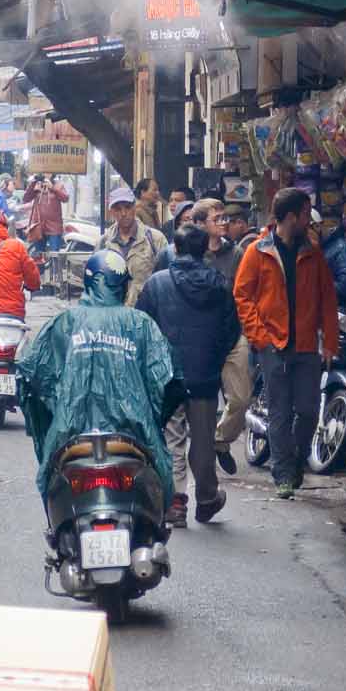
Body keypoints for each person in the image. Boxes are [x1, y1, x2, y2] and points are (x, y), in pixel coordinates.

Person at [16, 247, 176, 517]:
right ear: (124, 286)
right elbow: (166, 381)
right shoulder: (141, 324)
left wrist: (56, 412)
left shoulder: (64, 322)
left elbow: (32, 378)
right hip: (135, 432)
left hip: (69, 432)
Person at [233, 186, 340, 500]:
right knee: (280, 412)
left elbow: (327, 298)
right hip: (273, 345)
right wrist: (260, 337)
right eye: (306, 213)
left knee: (308, 410)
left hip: (307, 344)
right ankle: (282, 473)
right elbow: (242, 295)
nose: (310, 219)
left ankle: (295, 460)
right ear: (291, 216)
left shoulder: (313, 251)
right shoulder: (258, 250)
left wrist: (330, 342)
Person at [137, 224, 241, 529]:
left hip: (168, 376)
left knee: (173, 437)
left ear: (176, 249)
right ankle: (207, 497)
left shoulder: (157, 284)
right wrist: (214, 358)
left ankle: (176, 501)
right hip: (205, 375)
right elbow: (231, 330)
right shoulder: (220, 285)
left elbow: (143, 326)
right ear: (203, 250)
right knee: (204, 441)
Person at [212, 200, 258, 475]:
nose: (223, 223)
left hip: (232, 333)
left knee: (240, 399)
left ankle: (220, 440)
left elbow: (246, 292)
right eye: (217, 218)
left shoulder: (237, 254)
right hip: (199, 336)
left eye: (224, 218)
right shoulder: (185, 252)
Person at [104, 185, 165, 306]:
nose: (123, 213)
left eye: (127, 207)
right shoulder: (104, 243)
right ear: (111, 212)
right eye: (117, 209)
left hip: (145, 313)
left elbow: (165, 280)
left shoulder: (155, 239)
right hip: (114, 314)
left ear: (134, 207)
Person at [22, 175, 68, 247]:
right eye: (44, 172)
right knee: (38, 255)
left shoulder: (58, 184)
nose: (46, 174)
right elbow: (25, 199)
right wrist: (33, 184)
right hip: (38, 226)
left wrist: (52, 188)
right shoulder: (36, 184)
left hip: (54, 227)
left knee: (54, 255)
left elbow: (65, 198)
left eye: (48, 172)